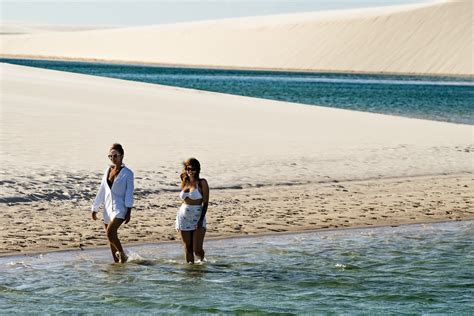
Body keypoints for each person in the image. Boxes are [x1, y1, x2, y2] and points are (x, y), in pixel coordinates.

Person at [91, 143, 134, 263]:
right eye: (110, 156)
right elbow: (102, 189)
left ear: (122, 156)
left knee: (110, 232)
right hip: (107, 208)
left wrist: (129, 211)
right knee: (110, 237)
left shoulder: (128, 173)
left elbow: (129, 193)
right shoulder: (107, 170)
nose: (113, 158)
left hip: (120, 208)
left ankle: (122, 255)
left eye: (115, 156)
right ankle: (117, 263)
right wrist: (95, 208)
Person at [175, 158, 209, 264]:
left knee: (197, 249)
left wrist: (200, 220)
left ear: (197, 169)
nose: (190, 171)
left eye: (193, 169)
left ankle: (202, 262)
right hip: (183, 217)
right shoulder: (185, 181)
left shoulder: (202, 183)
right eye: (188, 169)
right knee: (188, 248)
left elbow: (205, 202)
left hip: (197, 217)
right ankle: (190, 272)